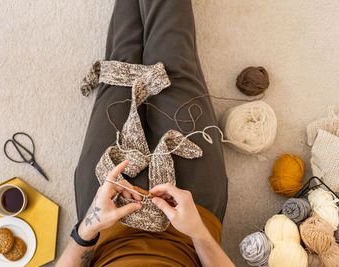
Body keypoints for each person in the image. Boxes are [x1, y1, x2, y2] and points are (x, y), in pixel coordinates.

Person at [57, 0, 233, 266]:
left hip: (106, 220)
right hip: (190, 221)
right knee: (174, 65)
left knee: (120, 65)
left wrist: (89, 228)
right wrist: (198, 232)